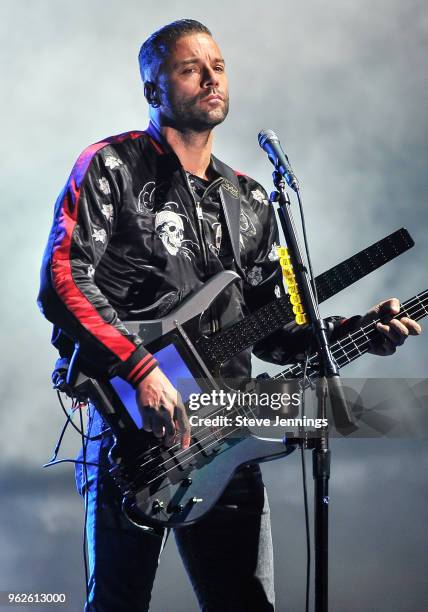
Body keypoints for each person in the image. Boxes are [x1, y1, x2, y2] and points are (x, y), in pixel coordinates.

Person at [37, 19, 421, 612]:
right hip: (128, 426)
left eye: (217, 65)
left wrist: (359, 331)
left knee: (246, 604)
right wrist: (142, 371)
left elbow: (279, 333)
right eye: (190, 68)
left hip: (227, 423)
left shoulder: (250, 200)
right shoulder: (111, 165)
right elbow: (62, 282)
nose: (210, 76)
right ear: (153, 89)